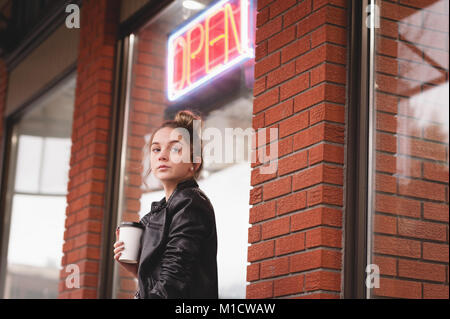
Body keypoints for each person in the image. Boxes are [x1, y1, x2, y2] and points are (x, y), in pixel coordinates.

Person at [113, 110, 218, 299]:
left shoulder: (190, 203)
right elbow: (168, 281)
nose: (162, 155)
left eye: (175, 148)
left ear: (194, 163)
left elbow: (174, 281)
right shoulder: (160, 211)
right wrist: (137, 268)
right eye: (156, 149)